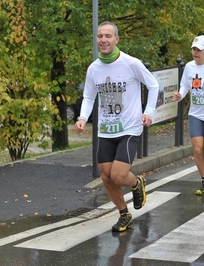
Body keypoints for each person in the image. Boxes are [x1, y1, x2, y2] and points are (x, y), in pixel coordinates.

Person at [75, 21, 159, 232]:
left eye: (108, 36)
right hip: (106, 129)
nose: (103, 40)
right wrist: (83, 117)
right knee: (105, 176)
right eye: (100, 36)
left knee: (118, 175)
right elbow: (88, 95)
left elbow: (153, 84)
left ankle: (135, 183)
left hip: (130, 127)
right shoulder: (94, 68)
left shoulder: (131, 63)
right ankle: (124, 214)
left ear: (116, 39)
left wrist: (148, 112)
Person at [172, 35, 204, 195]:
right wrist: (180, 94)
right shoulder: (188, 66)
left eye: (199, 50)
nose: (195, 52)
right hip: (196, 114)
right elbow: (184, 85)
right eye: (194, 49)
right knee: (197, 149)